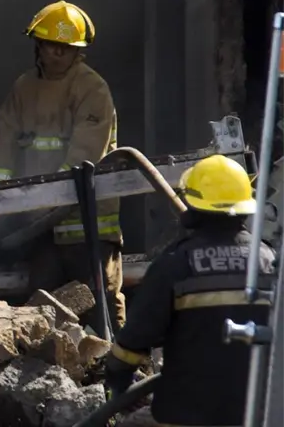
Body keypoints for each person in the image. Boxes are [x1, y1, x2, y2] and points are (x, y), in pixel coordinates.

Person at [0, 0, 126, 330]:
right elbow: (3, 139)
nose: (58, 53)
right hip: (40, 225)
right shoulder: (24, 88)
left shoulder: (92, 88)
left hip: (87, 222)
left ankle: (118, 367)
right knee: (42, 302)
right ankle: (50, 368)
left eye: (66, 47)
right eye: (52, 45)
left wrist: (52, 200)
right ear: (38, 44)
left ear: (78, 50)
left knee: (100, 299)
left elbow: (86, 150)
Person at [105, 154, 275, 426]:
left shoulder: (175, 264)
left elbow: (133, 342)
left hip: (187, 414)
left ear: (193, 207)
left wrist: (117, 378)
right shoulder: (270, 262)